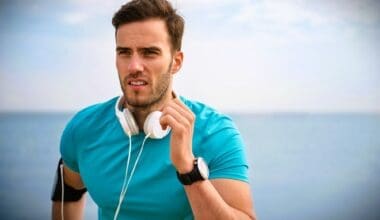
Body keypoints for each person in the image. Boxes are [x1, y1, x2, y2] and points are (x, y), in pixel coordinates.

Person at [51, 0, 256, 219]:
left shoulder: (216, 133)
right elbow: (69, 189)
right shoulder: (83, 128)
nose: (134, 67)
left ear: (176, 62)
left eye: (149, 53)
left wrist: (188, 169)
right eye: (124, 52)